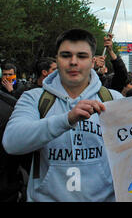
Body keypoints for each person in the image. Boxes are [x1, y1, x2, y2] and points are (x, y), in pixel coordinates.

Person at [2, 28, 123, 202]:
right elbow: (12, 142)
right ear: (57, 59)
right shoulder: (34, 98)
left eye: (82, 56)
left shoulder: (112, 99)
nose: (73, 62)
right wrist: (67, 119)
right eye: (66, 55)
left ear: (92, 61)